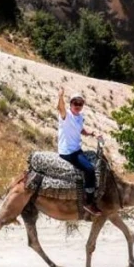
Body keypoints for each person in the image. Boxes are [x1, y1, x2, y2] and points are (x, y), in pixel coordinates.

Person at [56, 87, 101, 216]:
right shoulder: (66, 115)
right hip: (68, 151)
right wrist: (60, 97)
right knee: (89, 169)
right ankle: (89, 202)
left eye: (80, 104)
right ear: (71, 104)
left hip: (76, 149)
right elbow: (61, 108)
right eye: (75, 103)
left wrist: (92, 133)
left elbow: (80, 130)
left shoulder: (80, 117)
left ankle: (91, 190)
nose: (77, 106)